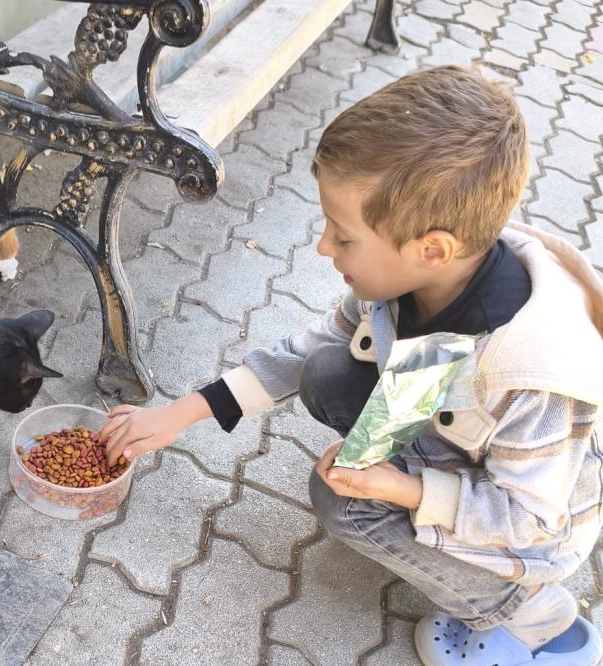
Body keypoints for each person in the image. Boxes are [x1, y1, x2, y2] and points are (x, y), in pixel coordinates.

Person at [100, 65, 603, 666]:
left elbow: (528, 522)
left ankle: (534, 616)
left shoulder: (532, 375)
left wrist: (403, 490)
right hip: (445, 427)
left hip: (527, 531)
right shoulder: (413, 277)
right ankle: (415, 500)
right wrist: (186, 411)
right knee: (328, 372)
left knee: (342, 506)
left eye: (343, 236)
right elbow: (310, 348)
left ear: (432, 248)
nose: (320, 248)